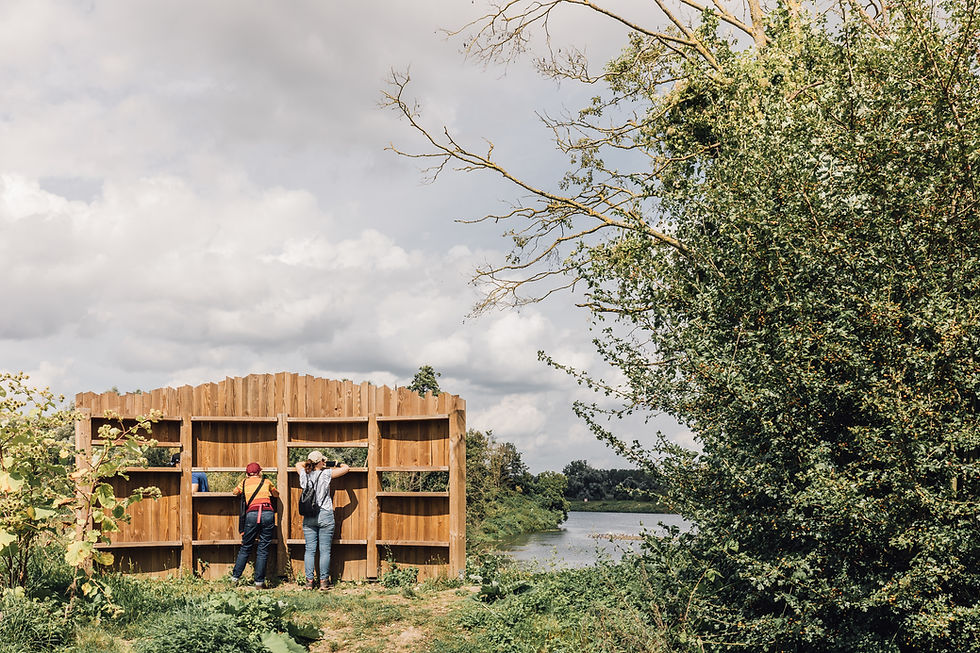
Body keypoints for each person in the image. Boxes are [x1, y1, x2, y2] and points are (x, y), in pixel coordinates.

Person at [295, 451, 349, 589]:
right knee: (325, 550)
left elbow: (298, 464)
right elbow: (346, 468)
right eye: (322, 461)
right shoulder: (326, 474)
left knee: (310, 550)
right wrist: (334, 463)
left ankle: (309, 582)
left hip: (309, 515)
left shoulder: (304, 474)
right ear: (320, 462)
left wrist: (314, 462)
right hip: (325, 513)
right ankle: (324, 582)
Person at [230, 462, 280, 589]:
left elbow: (235, 492)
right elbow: (276, 494)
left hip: (252, 514)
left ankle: (234, 579)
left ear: (247, 473)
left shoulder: (244, 482)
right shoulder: (267, 482)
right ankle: (259, 583)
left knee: (246, 547)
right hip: (268, 513)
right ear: (259, 472)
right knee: (263, 549)